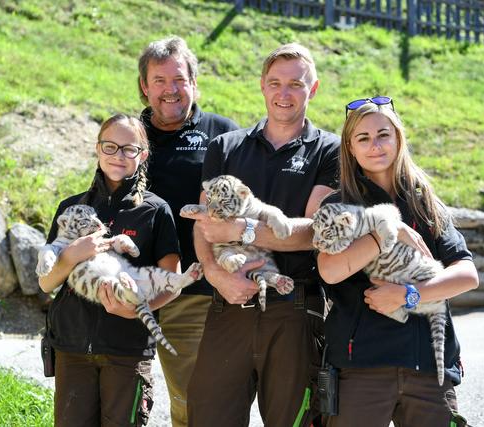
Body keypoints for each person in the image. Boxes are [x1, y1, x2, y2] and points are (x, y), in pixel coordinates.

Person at [182, 43, 340, 426]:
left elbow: (314, 233)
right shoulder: (226, 146)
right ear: (262, 86)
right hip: (228, 303)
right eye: (275, 83)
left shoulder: (331, 151)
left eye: (295, 85)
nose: (284, 94)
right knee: (208, 416)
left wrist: (244, 230)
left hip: (295, 310)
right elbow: (205, 222)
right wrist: (215, 273)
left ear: (313, 89)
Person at [315, 97, 479, 427]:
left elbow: (466, 274)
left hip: (428, 368)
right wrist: (384, 230)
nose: (374, 145)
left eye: (383, 134)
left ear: (398, 138)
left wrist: (408, 295)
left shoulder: (425, 201)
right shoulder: (338, 205)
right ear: (350, 147)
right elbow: (330, 271)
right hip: (360, 367)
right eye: (363, 138)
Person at [39, 114, 183, 427]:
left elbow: (173, 283)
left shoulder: (156, 211)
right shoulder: (71, 207)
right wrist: (72, 255)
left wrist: (139, 310)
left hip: (126, 349)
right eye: (110, 147)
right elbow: (47, 282)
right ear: (97, 149)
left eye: (128, 149)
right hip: (71, 346)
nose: (118, 155)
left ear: (142, 155)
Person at [137, 36, 239, 427]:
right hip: (135, 289)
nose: (170, 90)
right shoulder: (130, 136)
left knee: (195, 400)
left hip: (192, 293)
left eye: (178, 79)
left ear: (194, 82)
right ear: (145, 87)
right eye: (159, 80)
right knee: (126, 397)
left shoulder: (224, 134)